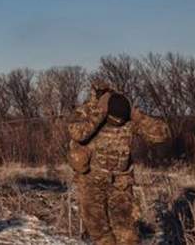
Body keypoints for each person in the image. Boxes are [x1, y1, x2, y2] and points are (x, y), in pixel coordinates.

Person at [68, 80, 170, 245]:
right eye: (114, 120)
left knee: (126, 234)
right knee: (99, 232)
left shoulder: (127, 113)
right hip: (91, 181)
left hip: (120, 183)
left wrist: (138, 117)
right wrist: (98, 114)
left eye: (121, 121)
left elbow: (162, 134)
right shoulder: (87, 111)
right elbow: (78, 133)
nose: (119, 123)